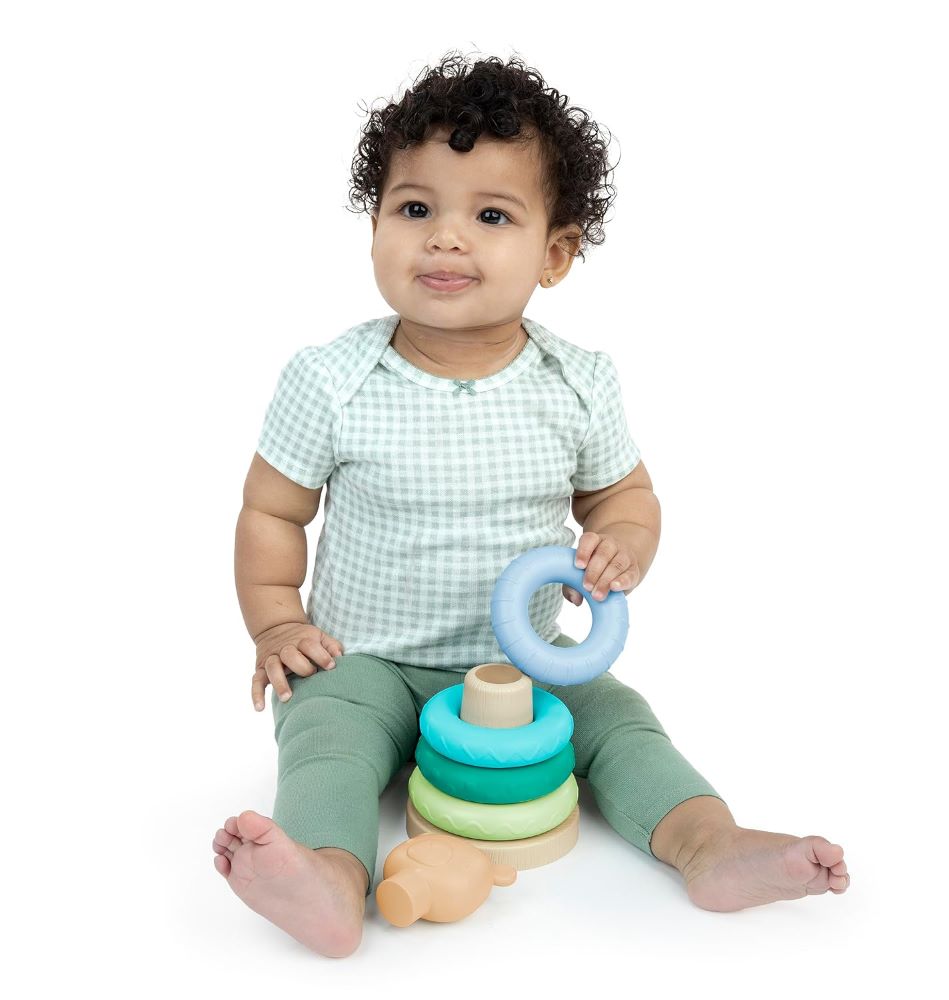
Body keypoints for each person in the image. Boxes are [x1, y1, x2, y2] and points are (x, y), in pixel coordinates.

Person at [211, 52, 849, 959]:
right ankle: (329, 878)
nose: (445, 238)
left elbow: (624, 494)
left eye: (491, 215)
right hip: (364, 655)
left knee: (621, 724)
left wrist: (622, 543)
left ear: (555, 254)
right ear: (375, 225)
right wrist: (278, 624)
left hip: (528, 662)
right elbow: (272, 512)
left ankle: (708, 843)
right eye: (415, 209)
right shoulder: (330, 379)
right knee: (326, 741)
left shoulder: (576, 384)